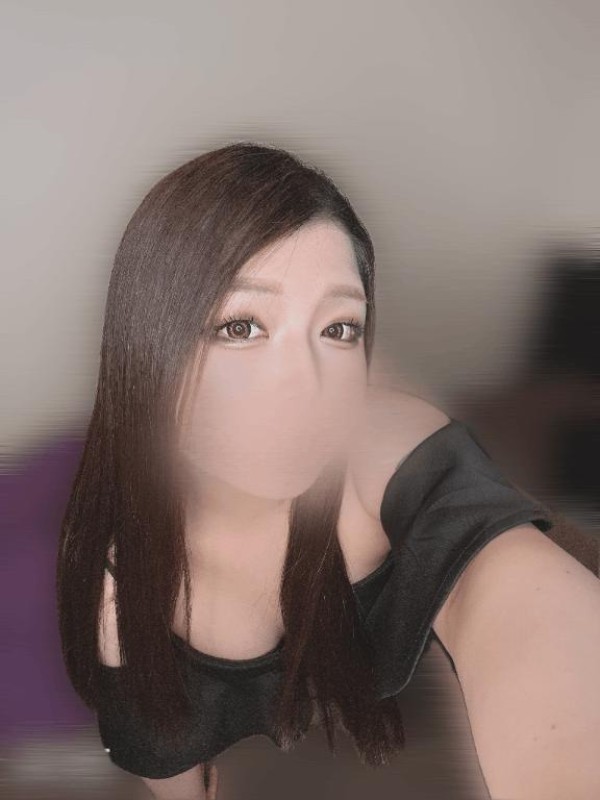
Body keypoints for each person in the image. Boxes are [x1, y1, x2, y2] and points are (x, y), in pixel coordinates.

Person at [56, 142, 600, 800]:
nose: (306, 384)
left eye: (339, 329)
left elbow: (515, 589)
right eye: (241, 326)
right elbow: (174, 779)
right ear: (147, 343)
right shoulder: (117, 596)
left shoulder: (387, 451)